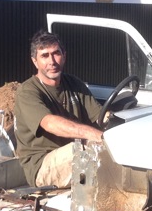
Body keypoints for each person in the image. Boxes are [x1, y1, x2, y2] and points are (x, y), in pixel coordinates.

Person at [14, 31, 104, 187]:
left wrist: (118, 126)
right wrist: (97, 136)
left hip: (73, 151)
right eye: (45, 56)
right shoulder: (27, 91)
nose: (52, 61)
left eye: (56, 53)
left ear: (64, 56)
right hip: (43, 166)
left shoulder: (74, 83)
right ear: (35, 61)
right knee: (89, 152)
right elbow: (50, 123)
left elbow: (100, 116)